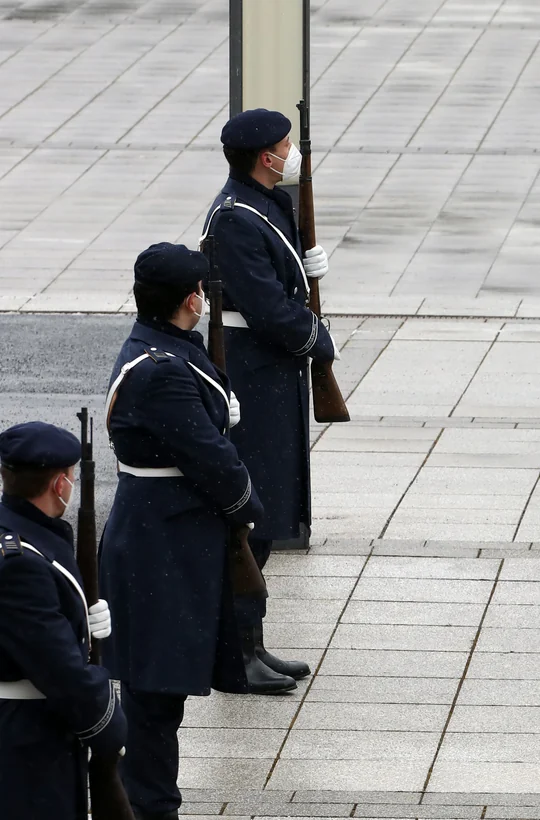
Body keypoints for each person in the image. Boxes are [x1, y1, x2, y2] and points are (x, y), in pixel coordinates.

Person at [100, 243, 268, 819]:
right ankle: (149, 805)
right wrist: (248, 506)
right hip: (158, 543)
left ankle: (148, 799)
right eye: (200, 290)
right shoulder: (163, 371)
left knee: (161, 692)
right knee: (154, 694)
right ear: (189, 299)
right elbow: (212, 459)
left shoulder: (167, 348)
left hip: (164, 535)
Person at [202, 108, 335, 690]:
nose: (293, 156)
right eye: (286, 147)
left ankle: (252, 641)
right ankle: (237, 654)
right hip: (250, 371)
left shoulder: (264, 204)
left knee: (266, 509)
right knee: (248, 516)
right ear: (266, 158)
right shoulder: (234, 217)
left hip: (270, 374)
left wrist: (307, 270)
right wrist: (318, 338)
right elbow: (266, 309)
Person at [0, 422, 127, 820]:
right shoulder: (20, 562)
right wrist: (108, 720)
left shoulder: (25, 531)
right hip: (24, 738)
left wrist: (81, 623)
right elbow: (56, 667)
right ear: (59, 485)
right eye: (71, 477)